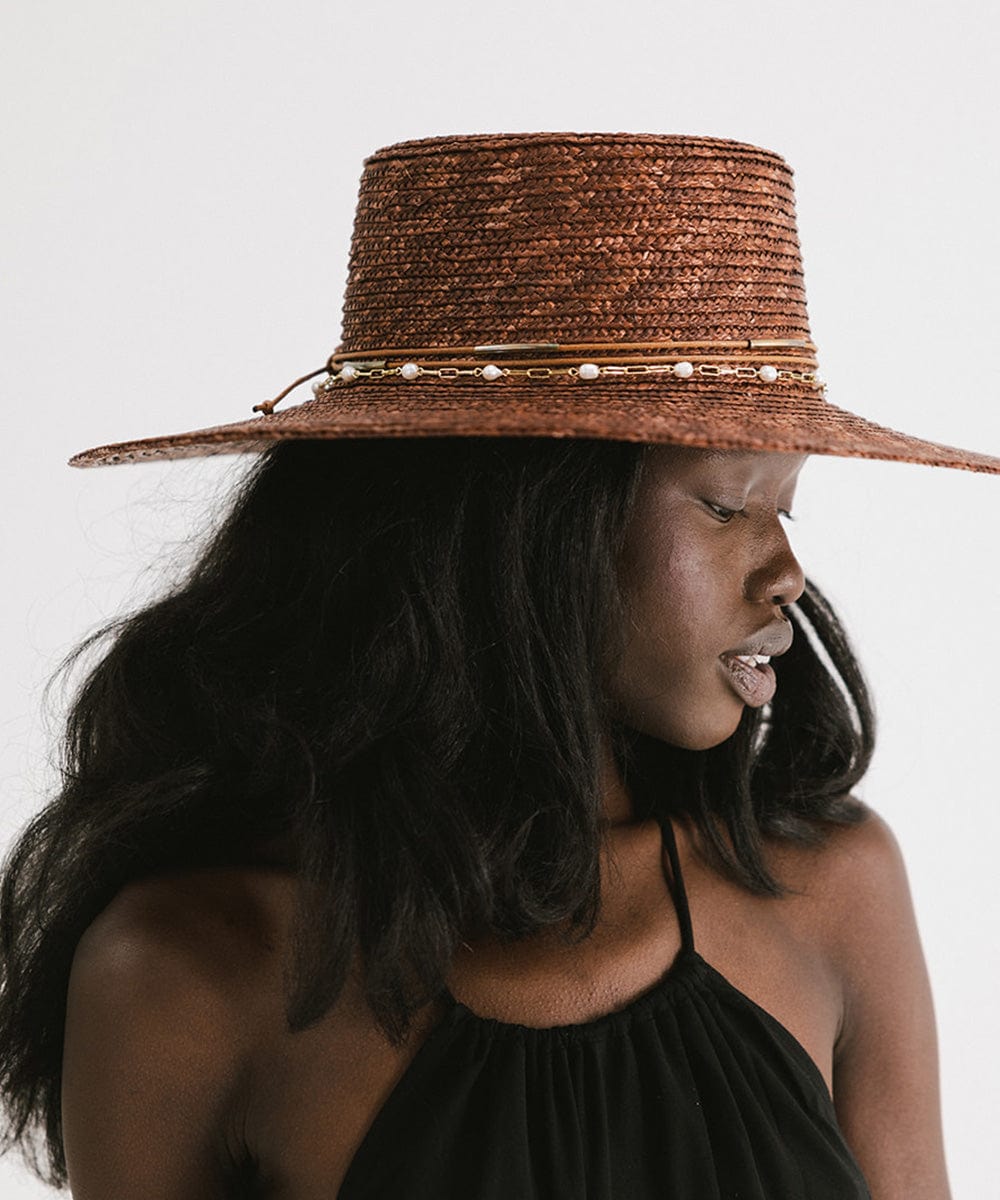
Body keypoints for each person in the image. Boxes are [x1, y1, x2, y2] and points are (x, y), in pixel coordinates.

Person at [2, 131, 997, 1199]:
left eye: (785, 509)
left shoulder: (830, 887)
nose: (786, 574)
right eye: (725, 503)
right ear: (518, 528)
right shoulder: (187, 965)